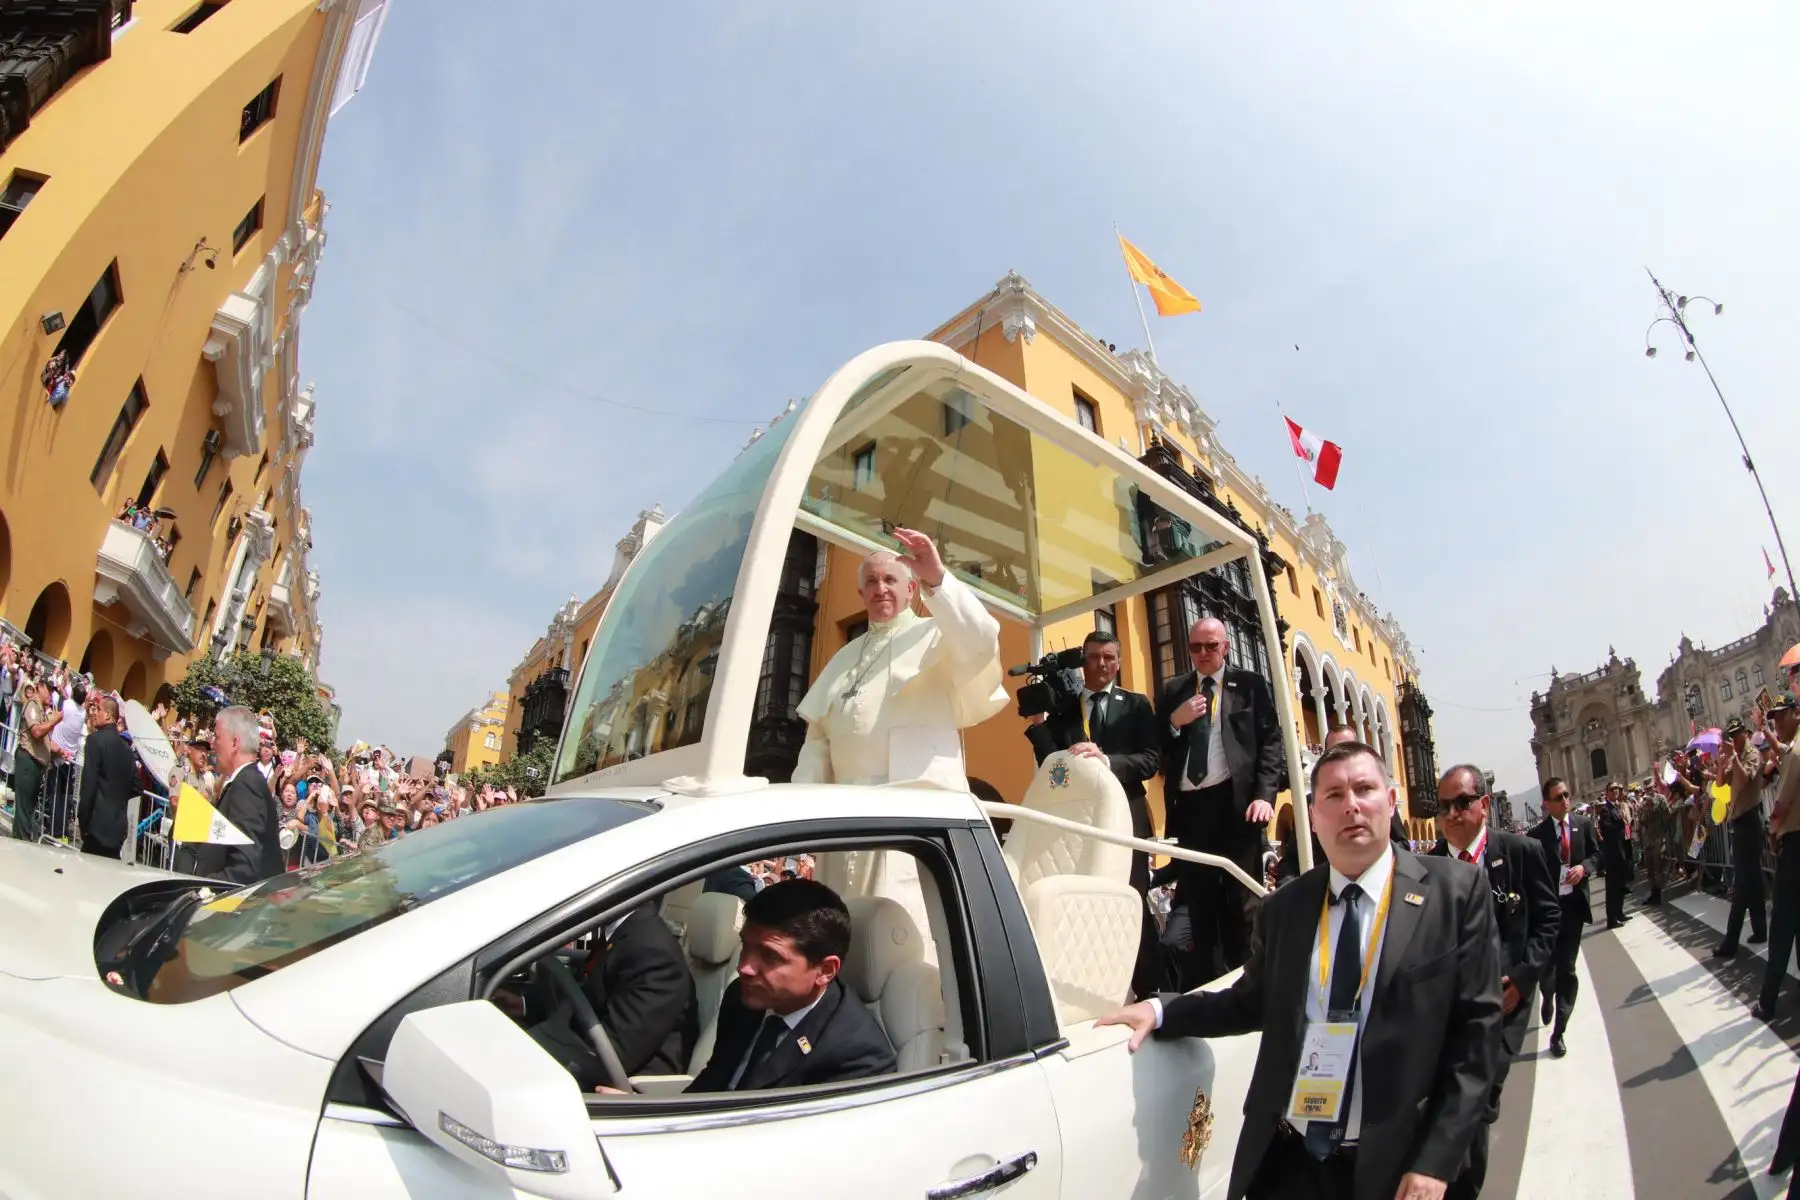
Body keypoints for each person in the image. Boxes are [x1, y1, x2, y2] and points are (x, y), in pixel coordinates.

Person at [1098, 742, 1503, 1200]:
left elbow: (1477, 1038)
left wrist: (1436, 1161)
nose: (1350, 805)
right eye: (1333, 795)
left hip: (1399, 1168)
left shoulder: (1455, 893)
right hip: (1294, 1164)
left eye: (1365, 789)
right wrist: (1162, 1010)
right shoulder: (1285, 908)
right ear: (1313, 815)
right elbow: (1251, 1001)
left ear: (1390, 802)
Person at [1429, 764, 1559, 1200]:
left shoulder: (1520, 853)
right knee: (1455, 1103)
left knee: (1477, 1099)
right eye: (1444, 805)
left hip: (1504, 1006)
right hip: (1449, 1012)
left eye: (1462, 802)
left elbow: (1547, 922)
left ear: (1484, 804)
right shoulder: (1425, 868)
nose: (1452, 814)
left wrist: (1522, 981)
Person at [794, 528, 1006, 791]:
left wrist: (938, 578)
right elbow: (818, 742)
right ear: (862, 594)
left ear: (911, 589)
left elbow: (981, 639)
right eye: (871, 581)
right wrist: (802, 797)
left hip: (921, 805)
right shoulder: (844, 656)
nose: (880, 588)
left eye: (889, 579)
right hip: (852, 808)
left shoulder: (937, 632)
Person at [1025, 628, 1164, 996]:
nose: (1101, 664)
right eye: (1093, 657)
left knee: (1131, 903)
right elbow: (1050, 764)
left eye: (1109, 657)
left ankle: (1151, 993)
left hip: (1126, 821)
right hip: (1076, 827)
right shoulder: (1064, 709)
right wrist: (1039, 725)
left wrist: (1106, 761)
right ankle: (1091, 992)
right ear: (1083, 660)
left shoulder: (1135, 705)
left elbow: (1150, 761)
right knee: (1082, 905)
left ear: (1118, 662)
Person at [1157, 616, 1285, 984]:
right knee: (1198, 909)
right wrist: (1173, 722)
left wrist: (1265, 796)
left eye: (1210, 646)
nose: (1202, 654)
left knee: (1243, 907)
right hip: (1192, 811)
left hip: (1236, 807)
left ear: (1226, 647)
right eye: (1195, 647)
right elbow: (1155, 746)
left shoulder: (1249, 685)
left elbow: (1270, 742)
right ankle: (1203, 996)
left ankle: (1252, 988)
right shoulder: (1176, 689)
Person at [686, 880, 896, 1093]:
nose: (744, 967)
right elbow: (714, 1079)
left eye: (770, 956)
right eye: (745, 946)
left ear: (825, 970)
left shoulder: (857, 1055)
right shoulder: (742, 997)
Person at [526, 902, 699, 1087]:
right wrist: (524, 1004)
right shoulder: (626, 933)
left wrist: (533, 1063)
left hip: (629, 1091)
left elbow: (615, 1053)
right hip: (589, 1050)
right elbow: (588, 994)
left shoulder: (654, 951)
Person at [1528, 778, 1602, 1058]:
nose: (1564, 801)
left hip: (1573, 907)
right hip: (1548, 911)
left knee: (1568, 969)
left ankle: (1559, 1031)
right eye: (1558, 797)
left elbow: (1597, 854)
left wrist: (1584, 867)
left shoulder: (1582, 825)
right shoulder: (1537, 835)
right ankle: (1547, 994)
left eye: (1566, 795)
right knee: (1547, 968)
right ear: (1547, 804)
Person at [188, 706, 283, 884]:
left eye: (217, 737)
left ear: (234, 743)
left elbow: (244, 868)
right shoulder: (246, 780)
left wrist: (200, 892)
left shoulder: (247, 784)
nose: (213, 745)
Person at [1757, 697, 1800, 1020]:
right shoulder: (1793, 749)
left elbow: (1780, 807)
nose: (1777, 724)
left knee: (1782, 927)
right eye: (1773, 719)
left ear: (1796, 714)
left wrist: (1773, 833)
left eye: (1780, 717)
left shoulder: (1796, 753)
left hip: (1793, 845)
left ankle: (1768, 1001)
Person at [1713, 719, 1768, 957]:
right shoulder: (1734, 755)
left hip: (1750, 821)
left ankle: (1731, 942)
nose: (1734, 740)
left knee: (1742, 884)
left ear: (1745, 734)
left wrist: (1734, 757)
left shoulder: (1752, 754)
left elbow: (1745, 778)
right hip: (1739, 823)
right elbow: (1719, 785)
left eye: (1737, 735)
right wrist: (1721, 762)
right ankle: (1761, 930)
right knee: (1753, 881)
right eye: (1731, 736)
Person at [76, 694, 138, 860]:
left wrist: (83, 822)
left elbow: (88, 785)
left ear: (108, 715)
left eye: (98, 709)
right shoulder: (127, 751)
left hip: (96, 827)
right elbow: (137, 787)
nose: (93, 713)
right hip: (117, 829)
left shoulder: (95, 741)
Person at [11, 677, 56, 842]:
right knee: (24, 811)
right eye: (49, 690)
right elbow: (36, 732)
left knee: (27, 810)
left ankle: (17, 843)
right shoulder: (32, 705)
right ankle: (21, 845)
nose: (51, 694)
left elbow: (44, 740)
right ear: (39, 687)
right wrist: (53, 721)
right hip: (27, 762)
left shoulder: (42, 710)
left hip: (35, 765)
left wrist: (58, 750)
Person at [1593, 782, 1633, 930]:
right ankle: (1611, 919)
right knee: (1612, 889)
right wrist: (1621, 825)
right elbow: (1607, 828)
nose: (1616, 791)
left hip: (1621, 851)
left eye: (1617, 788)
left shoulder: (1617, 806)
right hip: (1613, 854)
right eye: (1612, 789)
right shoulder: (1605, 809)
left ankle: (1620, 913)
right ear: (1607, 792)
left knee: (1621, 885)